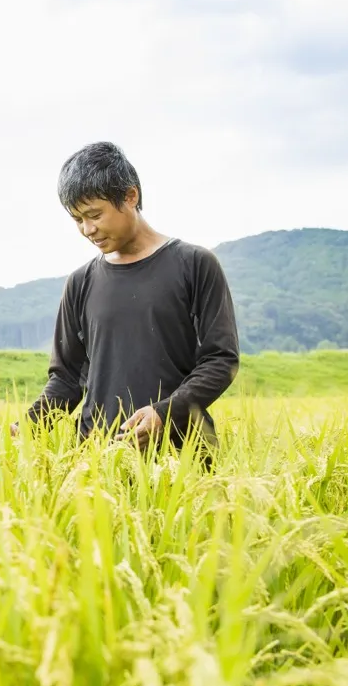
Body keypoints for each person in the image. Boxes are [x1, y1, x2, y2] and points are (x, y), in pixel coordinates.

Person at [12, 142, 240, 460]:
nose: (87, 229)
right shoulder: (81, 282)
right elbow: (66, 378)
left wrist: (164, 413)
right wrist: (27, 426)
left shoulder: (194, 264)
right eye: (77, 219)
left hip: (184, 458)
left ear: (130, 196)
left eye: (94, 214)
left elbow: (221, 360)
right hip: (98, 461)